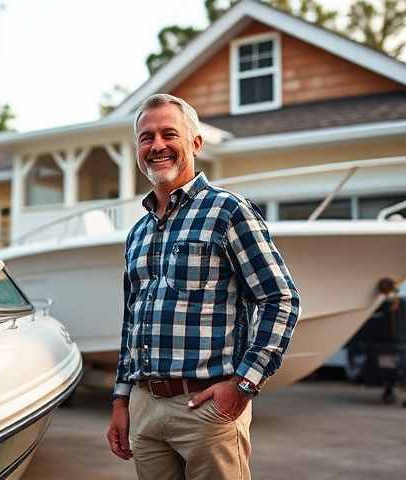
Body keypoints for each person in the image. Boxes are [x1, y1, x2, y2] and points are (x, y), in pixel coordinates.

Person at [106, 93, 301, 480]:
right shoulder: (137, 233)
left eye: (168, 134)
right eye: (146, 137)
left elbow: (280, 299)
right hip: (145, 408)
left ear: (195, 143)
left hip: (207, 407)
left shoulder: (228, 212)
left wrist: (243, 384)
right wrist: (121, 400)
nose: (157, 145)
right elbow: (132, 323)